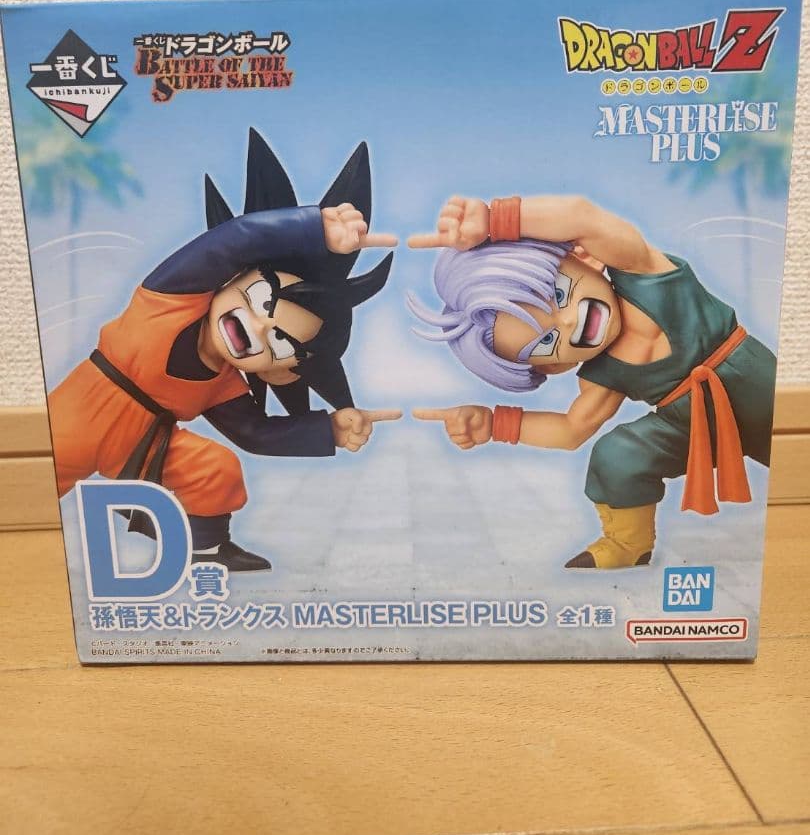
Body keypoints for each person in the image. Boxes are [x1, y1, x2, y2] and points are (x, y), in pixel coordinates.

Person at [49, 129, 400, 571]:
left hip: (144, 446)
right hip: (78, 417)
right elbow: (232, 241)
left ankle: (206, 550)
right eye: (259, 298)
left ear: (280, 372)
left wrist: (328, 429)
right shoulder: (169, 299)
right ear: (233, 276)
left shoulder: (223, 385)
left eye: (279, 343)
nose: (257, 327)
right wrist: (313, 227)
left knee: (216, 467)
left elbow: (256, 433)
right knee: (36, 479)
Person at [408, 194, 775, 570]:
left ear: (584, 257)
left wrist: (493, 219)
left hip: (757, 382)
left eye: (558, 295)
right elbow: (571, 430)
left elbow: (581, 217)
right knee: (617, 455)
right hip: (693, 425)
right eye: (546, 342)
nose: (567, 322)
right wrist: (493, 424)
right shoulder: (604, 376)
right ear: (554, 367)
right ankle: (628, 544)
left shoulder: (643, 272)